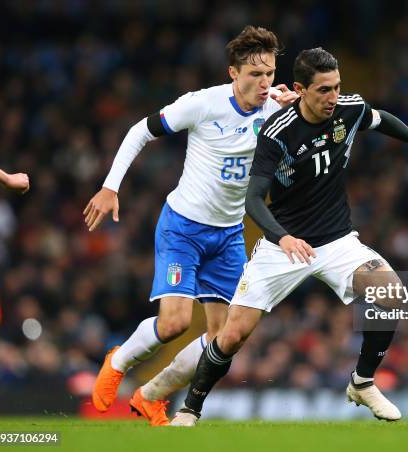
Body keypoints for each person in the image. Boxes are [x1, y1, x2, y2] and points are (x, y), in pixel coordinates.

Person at [172, 47, 408, 426]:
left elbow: (380, 119)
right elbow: (253, 199)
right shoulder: (277, 132)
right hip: (282, 245)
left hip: (337, 242)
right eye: (323, 90)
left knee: (391, 294)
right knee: (233, 334)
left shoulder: (348, 109)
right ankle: (190, 408)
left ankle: (363, 382)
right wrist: (283, 238)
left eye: (336, 87)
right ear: (301, 89)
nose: (333, 98)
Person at [84, 26, 297, 426]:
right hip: (183, 227)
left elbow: (315, 135)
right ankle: (120, 359)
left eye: (269, 73)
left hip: (230, 233)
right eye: (254, 74)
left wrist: (296, 110)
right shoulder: (203, 104)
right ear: (233, 73)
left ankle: (152, 395)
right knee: (175, 322)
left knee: (225, 340)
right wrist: (110, 187)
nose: (264, 82)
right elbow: (140, 131)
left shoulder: (277, 112)